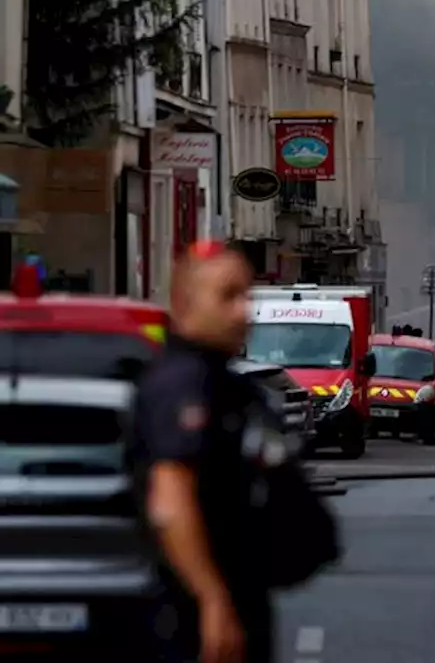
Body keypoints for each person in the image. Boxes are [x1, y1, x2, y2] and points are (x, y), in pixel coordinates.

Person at [131, 241, 275, 663]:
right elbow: (170, 499)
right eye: (228, 296)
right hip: (189, 619)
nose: (243, 311)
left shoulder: (223, 383)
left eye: (248, 295)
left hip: (235, 602)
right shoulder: (183, 385)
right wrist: (211, 599)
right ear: (186, 301)